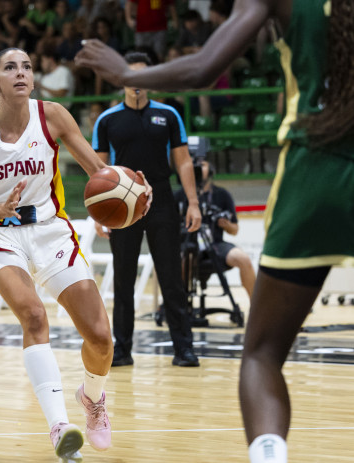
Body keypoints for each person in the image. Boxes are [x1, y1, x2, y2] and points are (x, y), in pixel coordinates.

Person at [75, 1, 354, 461]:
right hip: (132, 205)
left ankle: (265, 450)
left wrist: (127, 69)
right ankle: (123, 352)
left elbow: (204, 68)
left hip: (314, 172)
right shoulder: (108, 120)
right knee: (126, 285)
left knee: (261, 352)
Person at [0, 47, 151, 462]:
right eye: (11, 67)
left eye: (27, 66)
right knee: (34, 315)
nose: (22, 73)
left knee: (100, 337)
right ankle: (60, 426)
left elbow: (98, 171)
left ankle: (92, 398)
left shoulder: (54, 116)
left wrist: (130, 190)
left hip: (50, 231)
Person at [91, 51, 202, 368]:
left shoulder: (168, 115)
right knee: (123, 279)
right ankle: (122, 350)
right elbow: (98, 168)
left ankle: (184, 349)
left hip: (163, 201)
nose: (137, 83)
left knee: (171, 279)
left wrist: (192, 202)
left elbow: (182, 160)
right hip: (123, 206)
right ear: (123, 80)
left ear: (150, 79)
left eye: (143, 76)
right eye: (131, 77)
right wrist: (100, 212)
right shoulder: (107, 119)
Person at [175, 159, 257, 298]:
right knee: (180, 261)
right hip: (187, 245)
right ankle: (178, 307)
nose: (198, 167)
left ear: (211, 170)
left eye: (202, 164)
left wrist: (226, 225)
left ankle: (256, 308)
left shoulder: (222, 194)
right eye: (194, 164)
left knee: (243, 259)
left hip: (215, 244)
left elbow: (235, 230)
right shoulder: (179, 195)